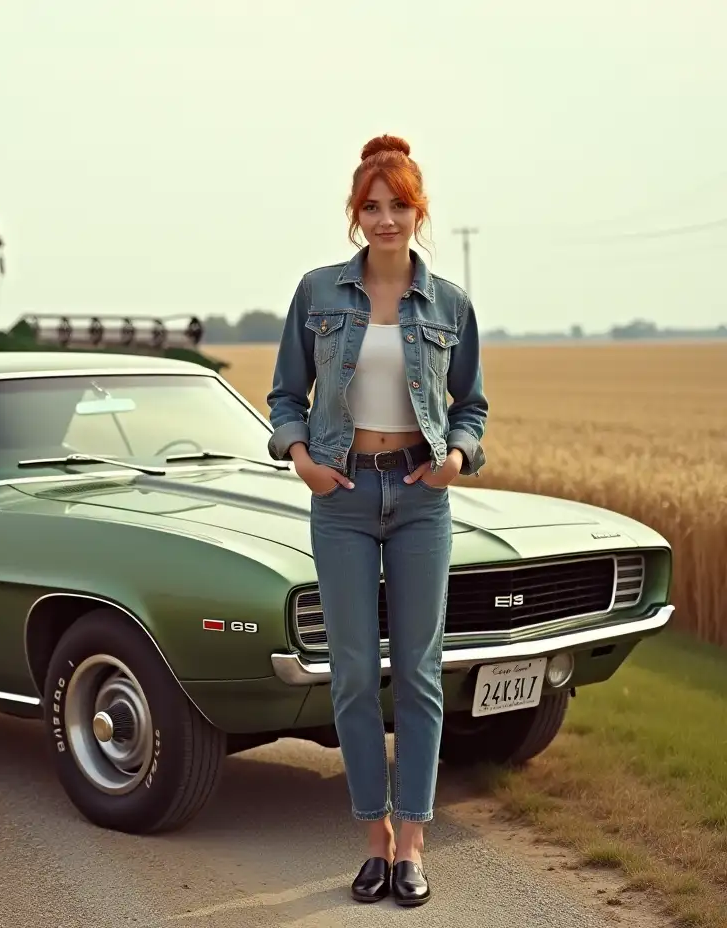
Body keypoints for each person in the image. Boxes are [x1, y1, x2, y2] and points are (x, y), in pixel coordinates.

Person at [264, 134, 489, 907]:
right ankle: (374, 838)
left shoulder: (450, 302)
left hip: (423, 497)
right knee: (356, 673)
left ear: (418, 210)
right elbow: (285, 395)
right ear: (355, 214)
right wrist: (300, 457)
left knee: (420, 674)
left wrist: (459, 455)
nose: (385, 218)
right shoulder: (318, 292)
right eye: (371, 205)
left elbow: (473, 407)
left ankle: (415, 842)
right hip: (344, 496)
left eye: (398, 205)